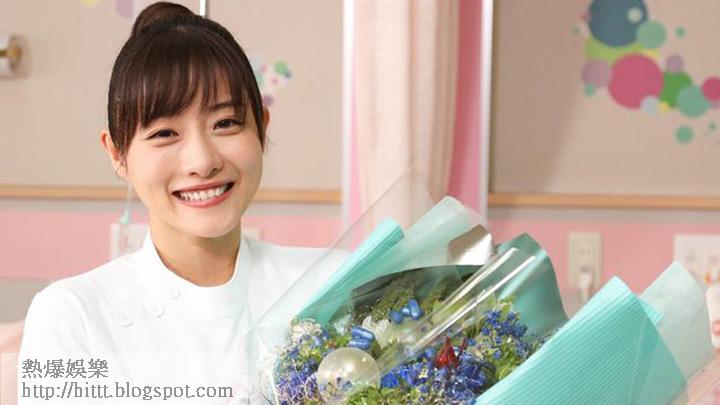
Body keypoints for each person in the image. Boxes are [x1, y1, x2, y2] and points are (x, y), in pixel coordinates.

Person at [18, 3, 340, 403]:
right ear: (117, 153)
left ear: (261, 127)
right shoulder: (72, 316)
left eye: (225, 123)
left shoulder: (333, 284)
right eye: (164, 133)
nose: (202, 162)